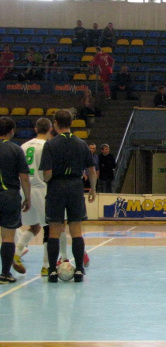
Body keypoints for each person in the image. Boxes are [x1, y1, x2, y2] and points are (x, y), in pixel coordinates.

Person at [13, 118, 84, 277]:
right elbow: (48, 172)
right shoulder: (48, 145)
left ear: (35, 128)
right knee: (53, 228)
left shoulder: (24, 146)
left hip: (24, 189)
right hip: (41, 188)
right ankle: (47, 265)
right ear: (51, 128)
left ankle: (17, 251)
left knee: (34, 226)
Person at [40, 109, 96, 283]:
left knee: (55, 231)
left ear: (55, 124)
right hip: (75, 187)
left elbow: (47, 173)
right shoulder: (82, 144)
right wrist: (92, 189)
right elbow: (92, 171)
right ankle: (79, 270)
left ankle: (51, 271)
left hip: (56, 187)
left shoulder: (50, 145)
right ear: (71, 123)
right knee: (76, 230)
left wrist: (48, 179)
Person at [0, 117, 31, 284]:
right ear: (11, 131)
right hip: (9, 196)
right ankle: (5, 273)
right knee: (8, 237)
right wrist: (28, 198)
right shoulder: (16, 150)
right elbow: (24, 178)